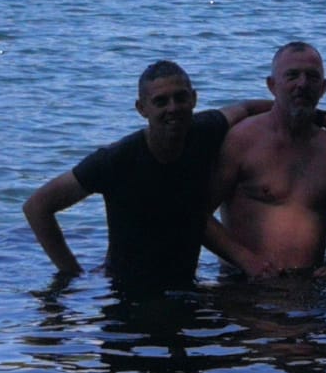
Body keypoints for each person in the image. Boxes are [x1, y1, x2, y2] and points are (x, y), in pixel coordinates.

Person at [23, 61, 279, 294]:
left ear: (194, 98)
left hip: (185, 284)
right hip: (125, 289)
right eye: (161, 102)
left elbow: (247, 108)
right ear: (142, 108)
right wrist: (72, 272)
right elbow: (37, 206)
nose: (173, 108)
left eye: (180, 98)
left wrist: (303, 115)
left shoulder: (206, 129)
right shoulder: (116, 160)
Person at [212, 41, 326, 278]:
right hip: (241, 282)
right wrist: (246, 260)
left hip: (309, 285)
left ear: (323, 88)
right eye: (292, 75)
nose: (302, 84)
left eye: (312, 76)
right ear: (272, 85)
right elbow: (197, 215)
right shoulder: (239, 142)